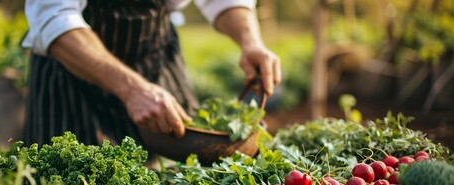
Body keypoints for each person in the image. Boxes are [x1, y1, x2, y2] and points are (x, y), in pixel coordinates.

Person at [21, 0, 281, 149]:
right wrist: (132, 89)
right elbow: (53, 18)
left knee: (166, 182)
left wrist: (250, 42)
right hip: (73, 76)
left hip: (154, 60)